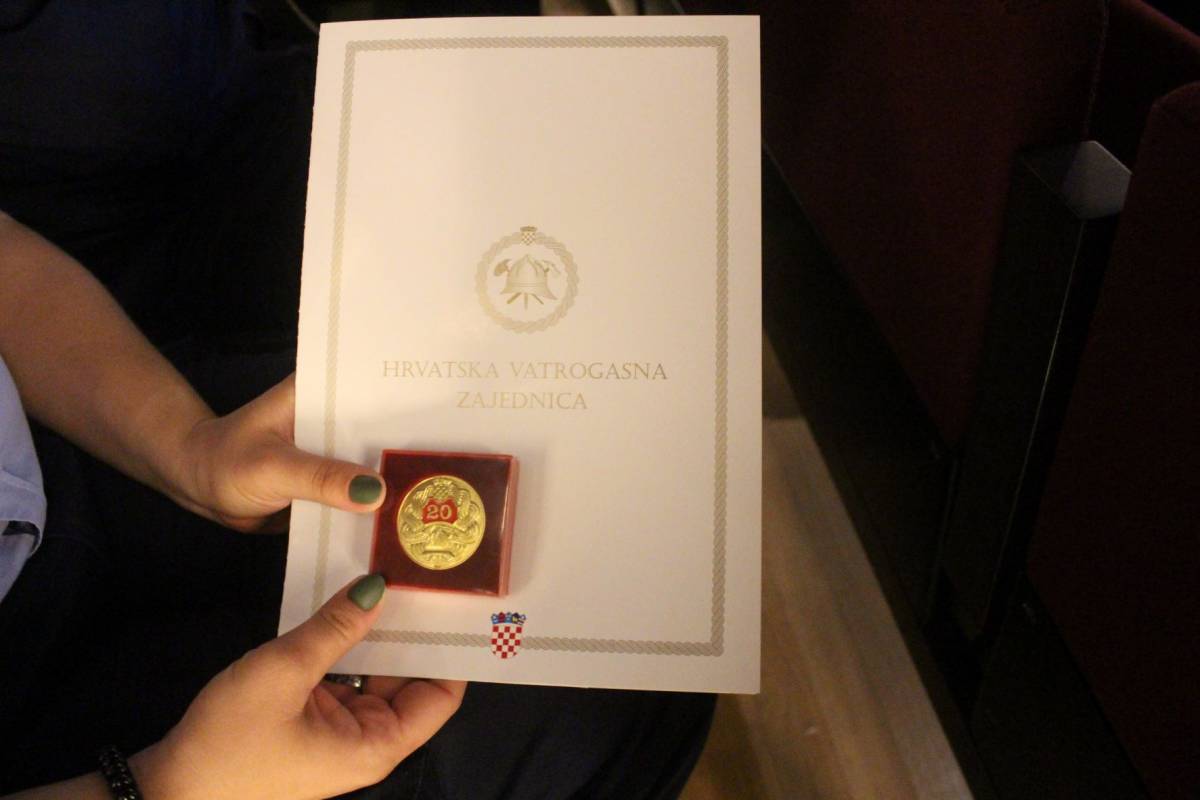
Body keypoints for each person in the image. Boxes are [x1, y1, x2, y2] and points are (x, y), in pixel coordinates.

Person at [0, 2, 715, 798]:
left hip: (60, 448)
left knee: (605, 549)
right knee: (595, 708)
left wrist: (187, 447)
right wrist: (164, 786)